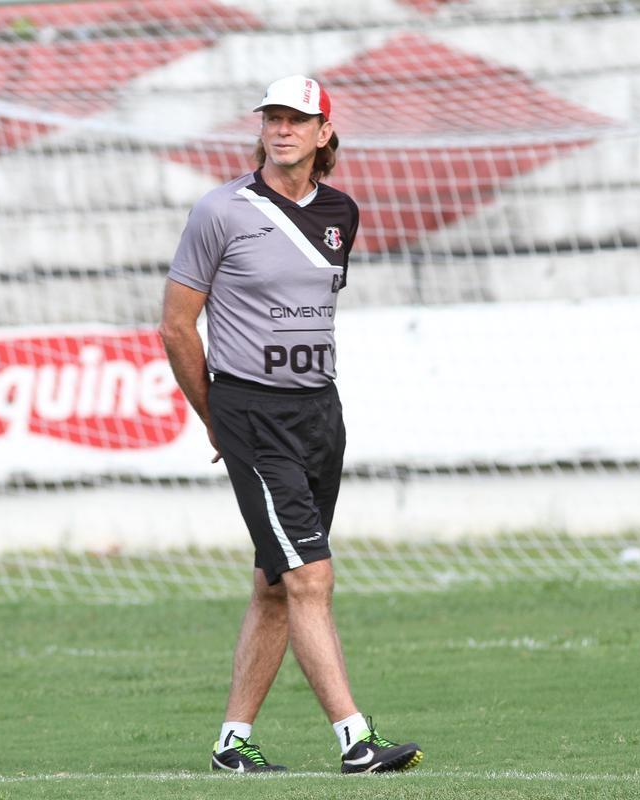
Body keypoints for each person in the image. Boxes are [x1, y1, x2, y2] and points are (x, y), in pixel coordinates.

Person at [158, 74, 424, 775]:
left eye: (297, 119)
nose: (282, 128)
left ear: (323, 132)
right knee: (310, 577)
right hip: (252, 413)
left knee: (277, 583)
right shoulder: (220, 211)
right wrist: (216, 420)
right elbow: (176, 327)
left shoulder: (341, 213)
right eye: (272, 117)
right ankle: (356, 741)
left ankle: (231, 744)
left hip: (320, 414)